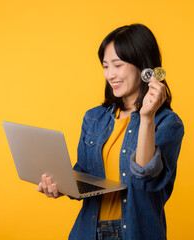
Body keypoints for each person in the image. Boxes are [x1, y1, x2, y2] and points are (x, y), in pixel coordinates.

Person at [37, 23, 184, 240]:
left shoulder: (167, 123)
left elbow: (147, 180)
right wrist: (60, 186)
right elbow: (85, 176)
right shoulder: (94, 118)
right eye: (106, 66)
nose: (110, 75)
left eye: (117, 65)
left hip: (135, 233)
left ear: (144, 68)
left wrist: (146, 117)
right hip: (87, 233)